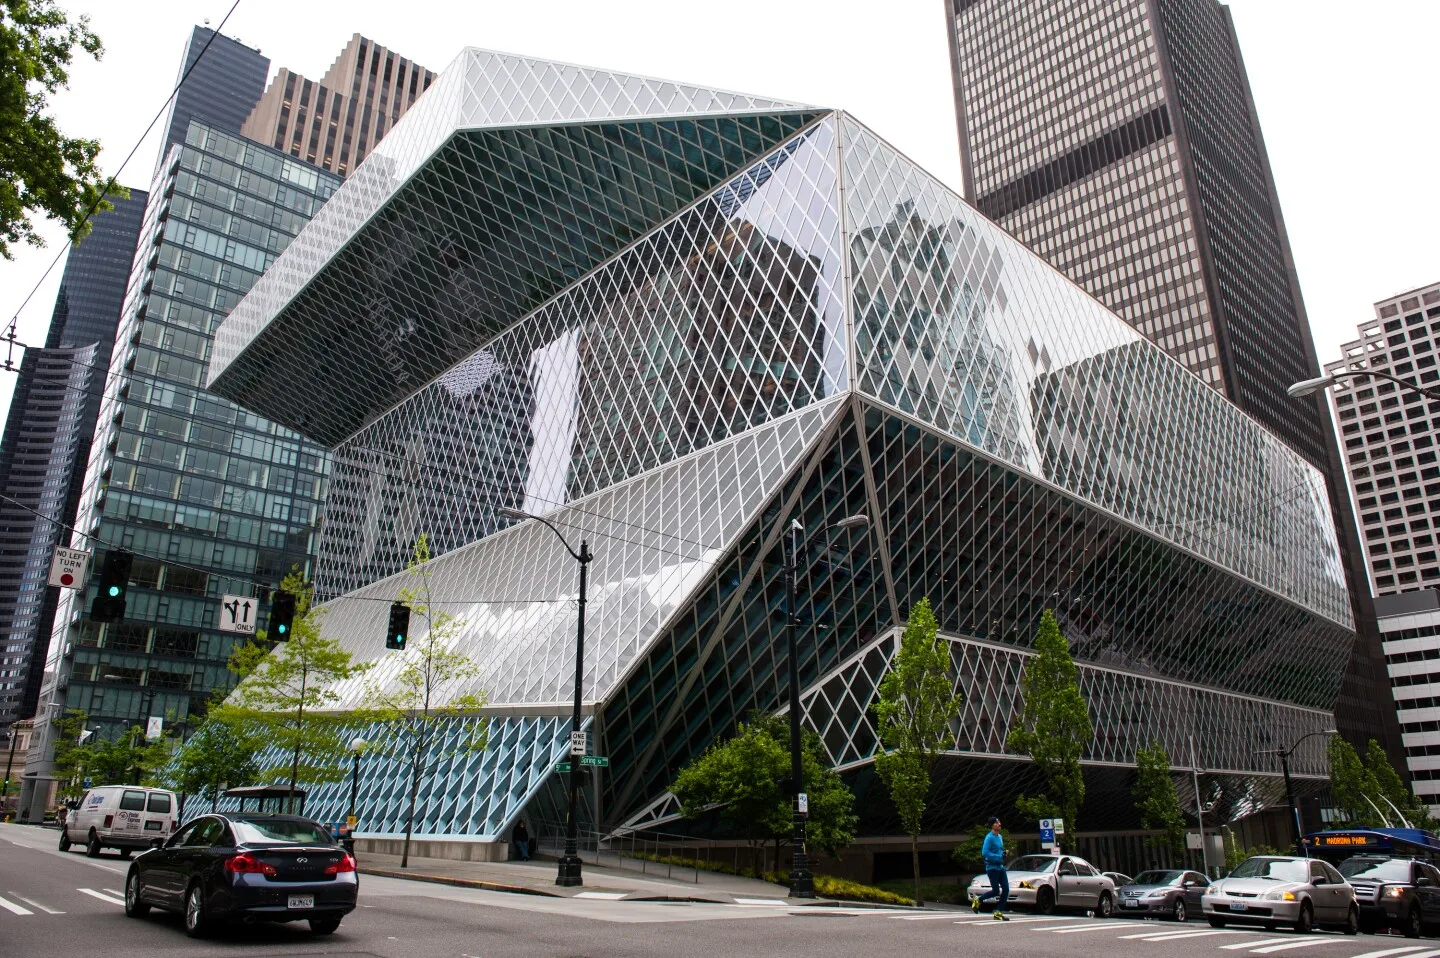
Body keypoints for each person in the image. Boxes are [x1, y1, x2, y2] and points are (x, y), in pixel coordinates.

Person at [971, 816, 1009, 921]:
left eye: (999, 822)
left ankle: (998, 912)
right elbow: (985, 853)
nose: (999, 824)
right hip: (992, 868)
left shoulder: (1000, 837)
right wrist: (999, 857)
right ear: (992, 825)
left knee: (1006, 889)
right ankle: (978, 899)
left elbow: (999, 850)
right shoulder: (989, 837)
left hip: (1000, 867)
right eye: (997, 823)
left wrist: (1004, 853)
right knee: (996, 891)